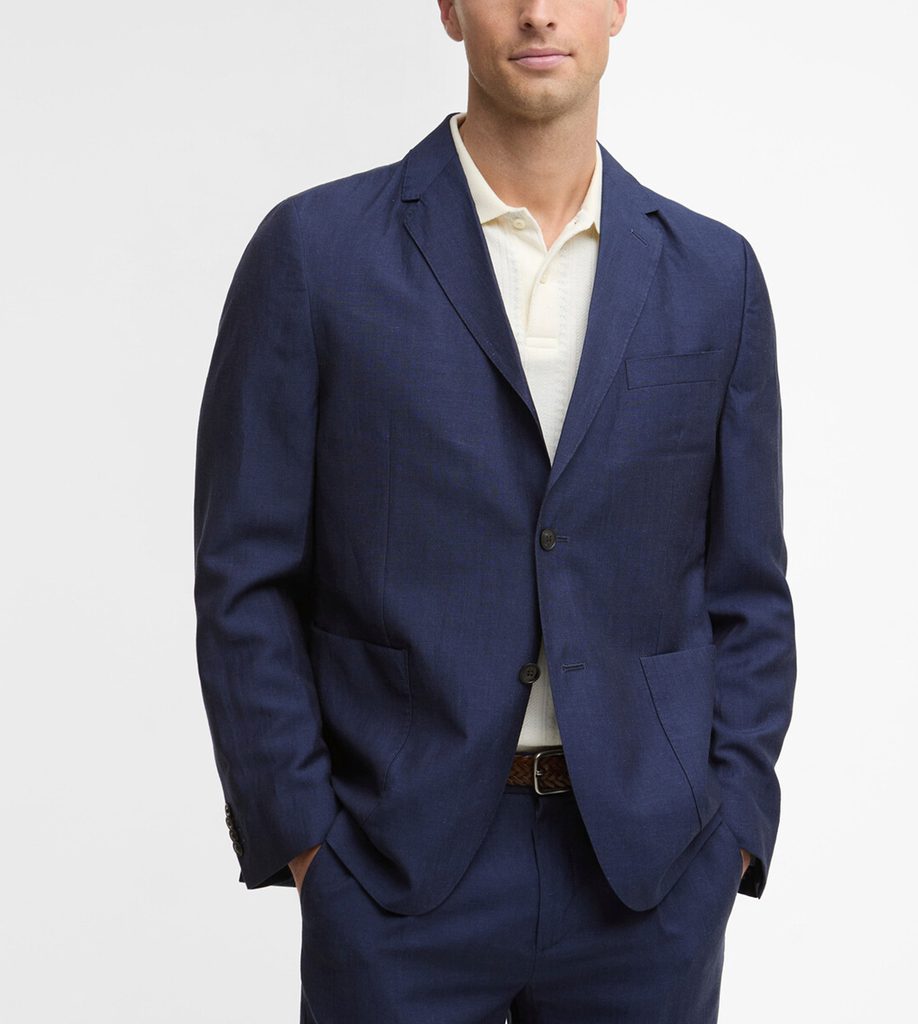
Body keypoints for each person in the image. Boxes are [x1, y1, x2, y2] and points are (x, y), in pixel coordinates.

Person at [193, 1, 797, 1021]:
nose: (538, 11)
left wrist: (729, 827)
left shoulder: (713, 275)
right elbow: (243, 576)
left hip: (646, 881)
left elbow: (748, 589)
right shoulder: (316, 252)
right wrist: (304, 838)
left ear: (618, 8)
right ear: (449, 9)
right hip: (394, 869)